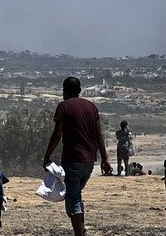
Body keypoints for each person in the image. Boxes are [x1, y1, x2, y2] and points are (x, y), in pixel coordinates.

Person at [43, 76, 112, 236]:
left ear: (65, 91)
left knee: (73, 200)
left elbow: (57, 134)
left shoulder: (63, 106)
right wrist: (105, 159)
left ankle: (79, 233)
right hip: (89, 161)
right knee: (76, 195)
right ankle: (82, 230)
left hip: (72, 159)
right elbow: (98, 134)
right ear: (79, 90)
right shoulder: (91, 107)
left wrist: (47, 157)